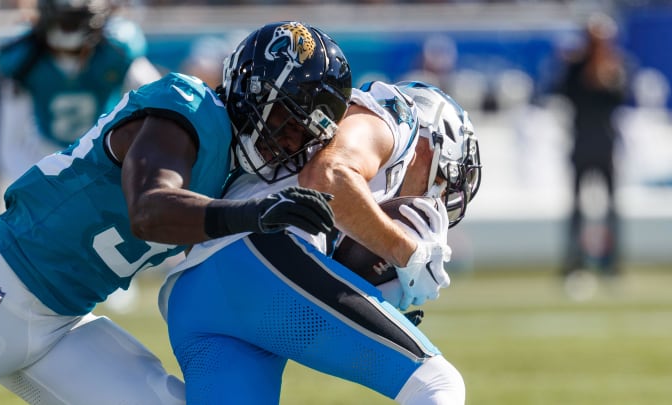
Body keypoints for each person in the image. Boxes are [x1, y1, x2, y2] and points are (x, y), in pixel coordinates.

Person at [0, 21, 342, 405]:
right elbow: (149, 210)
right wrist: (254, 212)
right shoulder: (189, 107)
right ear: (253, 93)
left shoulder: (232, 173)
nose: (291, 141)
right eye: (287, 121)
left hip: (63, 324)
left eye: (305, 134)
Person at [160, 27, 481, 403]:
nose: (433, 199)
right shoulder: (396, 119)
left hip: (197, 293)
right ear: (439, 141)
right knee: (436, 384)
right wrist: (407, 252)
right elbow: (328, 178)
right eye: (440, 182)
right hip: (257, 263)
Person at [0, 0, 162, 182]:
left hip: (106, 161)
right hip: (47, 159)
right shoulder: (25, 63)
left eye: (73, 21)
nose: (68, 28)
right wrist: (39, 185)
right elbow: (10, 146)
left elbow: (160, 105)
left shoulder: (116, 53)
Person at [556, 12, 627, 284]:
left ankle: (613, 263)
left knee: (612, 208)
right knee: (576, 208)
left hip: (606, 145)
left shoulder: (615, 67)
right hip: (582, 144)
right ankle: (574, 262)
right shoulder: (575, 67)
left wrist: (603, 70)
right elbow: (564, 93)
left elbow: (619, 97)